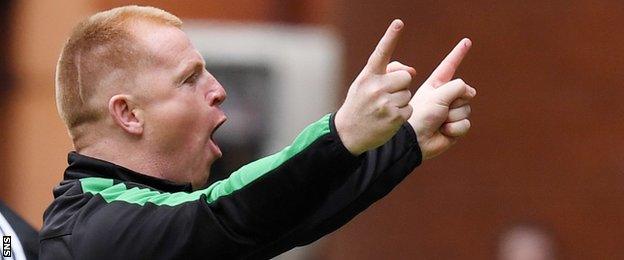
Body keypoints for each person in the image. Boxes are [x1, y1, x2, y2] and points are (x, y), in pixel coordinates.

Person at [40, 5, 476, 259]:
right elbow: (229, 211)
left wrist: (408, 138)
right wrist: (341, 133)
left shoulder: (132, 217)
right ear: (128, 114)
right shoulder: (93, 230)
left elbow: (291, 213)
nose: (218, 91)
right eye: (189, 78)